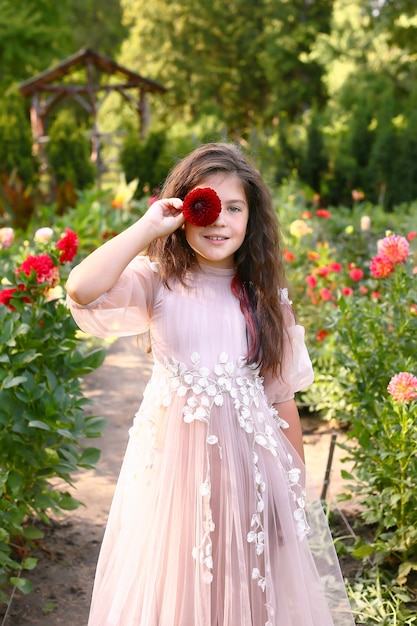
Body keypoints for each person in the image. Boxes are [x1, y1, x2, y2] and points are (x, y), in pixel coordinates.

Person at [66, 142, 354, 626]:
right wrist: (149, 226)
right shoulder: (158, 282)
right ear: (185, 211)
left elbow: (281, 400)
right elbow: (81, 288)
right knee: (178, 580)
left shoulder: (264, 297)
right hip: (173, 475)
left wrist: (294, 490)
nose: (220, 221)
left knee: (246, 581)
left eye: (235, 208)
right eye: (208, 206)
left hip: (249, 471)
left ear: (251, 216)